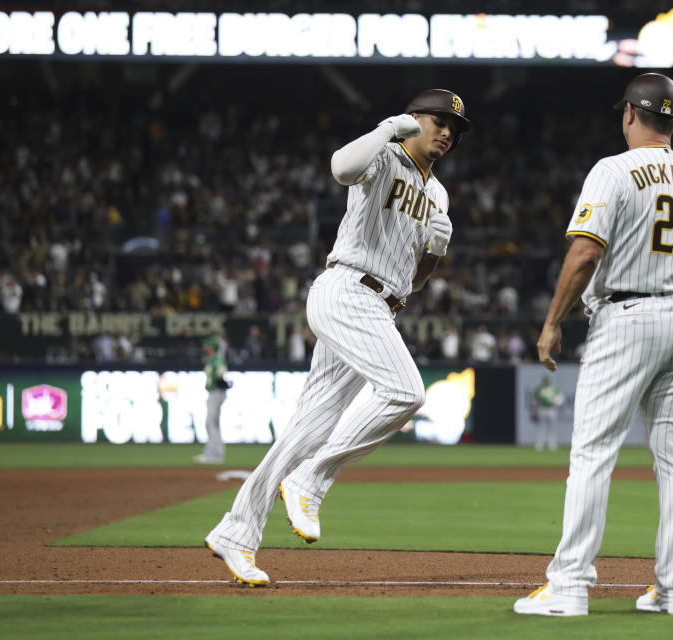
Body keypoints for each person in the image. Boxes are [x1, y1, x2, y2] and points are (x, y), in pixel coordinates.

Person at [203, 89, 471, 586]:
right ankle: (311, 479)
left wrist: (435, 253)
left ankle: (235, 533)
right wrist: (388, 128)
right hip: (347, 287)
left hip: (383, 304)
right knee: (406, 392)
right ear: (414, 120)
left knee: (306, 429)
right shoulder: (385, 152)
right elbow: (341, 169)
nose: (448, 132)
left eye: (454, 127)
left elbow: (414, 280)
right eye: (437, 121)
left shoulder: (439, 195)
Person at [513, 73, 673, 617]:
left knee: (593, 452)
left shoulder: (613, 169)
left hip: (629, 314)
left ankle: (570, 586)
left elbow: (583, 255)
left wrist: (553, 321)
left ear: (629, 113)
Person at [195, 335, 229, 464]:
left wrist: (221, 379)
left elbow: (221, 374)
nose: (205, 347)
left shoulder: (218, 359)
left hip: (217, 393)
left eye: (207, 345)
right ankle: (213, 453)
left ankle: (215, 454)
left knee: (210, 422)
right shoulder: (212, 359)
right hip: (214, 393)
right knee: (212, 423)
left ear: (212, 346)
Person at [532, 375, 564, 451]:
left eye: (546, 380)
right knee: (541, 427)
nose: (545, 381)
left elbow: (560, 397)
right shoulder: (540, 388)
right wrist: (535, 409)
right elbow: (535, 399)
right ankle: (540, 444)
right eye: (544, 380)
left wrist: (556, 404)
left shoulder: (553, 388)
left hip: (551, 409)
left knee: (552, 427)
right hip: (542, 408)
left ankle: (552, 444)